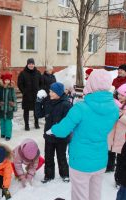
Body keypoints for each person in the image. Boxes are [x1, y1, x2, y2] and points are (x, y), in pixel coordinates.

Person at [48, 69, 119, 200]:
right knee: (95, 194)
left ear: (91, 84)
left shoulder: (81, 108)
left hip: (80, 160)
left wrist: (52, 129)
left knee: (79, 196)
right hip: (100, 159)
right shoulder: (114, 108)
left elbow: (63, 130)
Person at [35, 82, 72, 183]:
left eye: (52, 92)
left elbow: (68, 122)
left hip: (61, 137)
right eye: (49, 91)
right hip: (49, 135)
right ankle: (48, 175)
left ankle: (65, 174)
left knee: (61, 156)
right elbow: (38, 115)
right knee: (48, 156)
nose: (49, 93)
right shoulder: (47, 102)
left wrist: (61, 131)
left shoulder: (66, 104)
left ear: (59, 93)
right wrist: (38, 102)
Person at [17, 58, 43, 131]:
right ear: (27, 64)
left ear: (34, 64)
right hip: (27, 96)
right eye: (29, 64)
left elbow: (41, 83)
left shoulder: (37, 73)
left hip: (35, 95)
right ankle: (26, 125)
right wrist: (24, 91)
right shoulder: (23, 73)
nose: (31, 65)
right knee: (26, 111)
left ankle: (36, 123)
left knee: (36, 110)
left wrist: (39, 91)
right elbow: (20, 84)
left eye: (32, 64)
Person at [0, 72, 17, 141]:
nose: (7, 81)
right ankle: (3, 133)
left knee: (8, 122)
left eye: (8, 80)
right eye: (6, 80)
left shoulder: (11, 89)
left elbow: (14, 98)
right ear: (3, 80)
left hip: (9, 108)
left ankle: (8, 135)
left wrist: (14, 106)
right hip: (1, 108)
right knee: (2, 121)